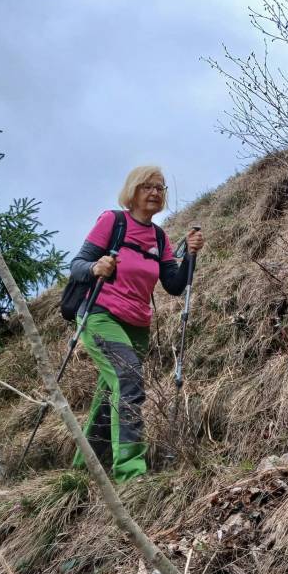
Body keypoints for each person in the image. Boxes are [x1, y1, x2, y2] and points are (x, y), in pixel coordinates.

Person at [69, 165, 204, 482]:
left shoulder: (159, 237)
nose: (155, 192)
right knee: (128, 379)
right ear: (133, 190)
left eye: (160, 187)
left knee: (111, 394)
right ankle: (130, 472)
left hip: (137, 326)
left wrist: (189, 256)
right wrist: (96, 267)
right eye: (147, 186)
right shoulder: (113, 222)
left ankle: (85, 468)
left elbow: (173, 285)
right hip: (100, 315)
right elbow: (77, 265)